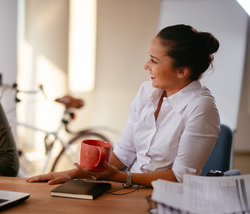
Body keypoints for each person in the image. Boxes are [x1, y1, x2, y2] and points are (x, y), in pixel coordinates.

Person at [27, 24, 221, 187]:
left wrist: (121, 177)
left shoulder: (201, 107)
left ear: (181, 71)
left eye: (154, 61)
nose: (146, 65)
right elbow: (123, 154)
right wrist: (73, 173)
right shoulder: (147, 91)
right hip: (129, 189)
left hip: (166, 197)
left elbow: (180, 177)